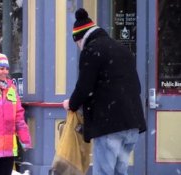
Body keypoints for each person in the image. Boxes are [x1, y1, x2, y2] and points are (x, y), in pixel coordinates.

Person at [62, 8, 147, 175]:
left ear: (81, 39)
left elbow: (84, 88)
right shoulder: (122, 48)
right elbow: (137, 86)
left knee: (104, 172)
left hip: (109, 124)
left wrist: (71, 104)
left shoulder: (91, 50)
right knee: (119, 172)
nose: (79, 48)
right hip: (132, 123)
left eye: (78, 43)